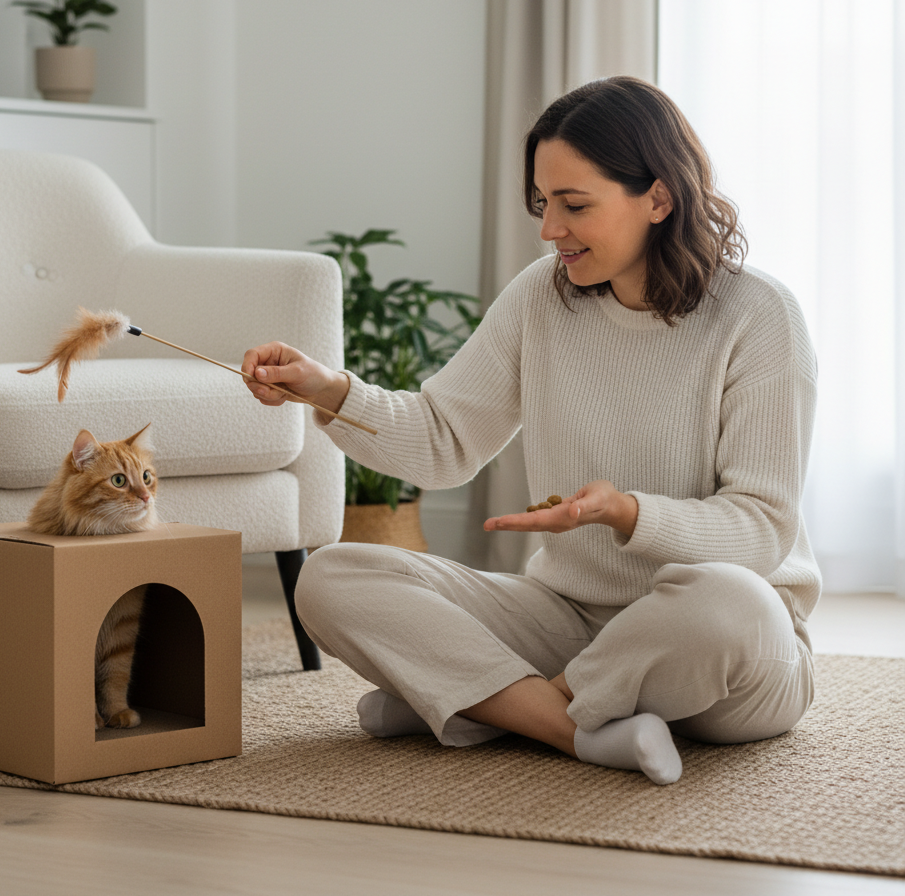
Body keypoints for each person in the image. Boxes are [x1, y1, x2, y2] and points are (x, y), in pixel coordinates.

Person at [241, 76, 819, 786]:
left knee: (732, 606)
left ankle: (485, 704)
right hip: (566, 620)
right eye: (543, 205)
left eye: (575, 206)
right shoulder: (542, 298)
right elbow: (444, 438)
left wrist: (627, 513)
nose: (550, 231)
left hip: (722, 654)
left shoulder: (760, 317)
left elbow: (762, 531)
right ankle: (569, 727)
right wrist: (328, 391)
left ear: (659, 199)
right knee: (332, 576)